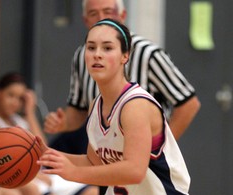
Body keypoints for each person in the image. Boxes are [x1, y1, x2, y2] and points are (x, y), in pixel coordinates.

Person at [37, 18, 196, 195]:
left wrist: (73, 173)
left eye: (107, 48)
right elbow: (94, 163)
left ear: (125, 56)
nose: (97, 55)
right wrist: (50, 157)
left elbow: (134, 171)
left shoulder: (135, 106)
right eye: (91, 48)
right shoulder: (96, 105)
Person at [45, 0, 200, 143]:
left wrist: (161, 147)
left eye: (108, 12)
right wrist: (63, 123)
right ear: (85, 20)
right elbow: (79, 110)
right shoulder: (82, 56)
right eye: (93, 13)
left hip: (144, 156)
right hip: (108, 151)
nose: (101, 18)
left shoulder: (148, 54)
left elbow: (189, 104)